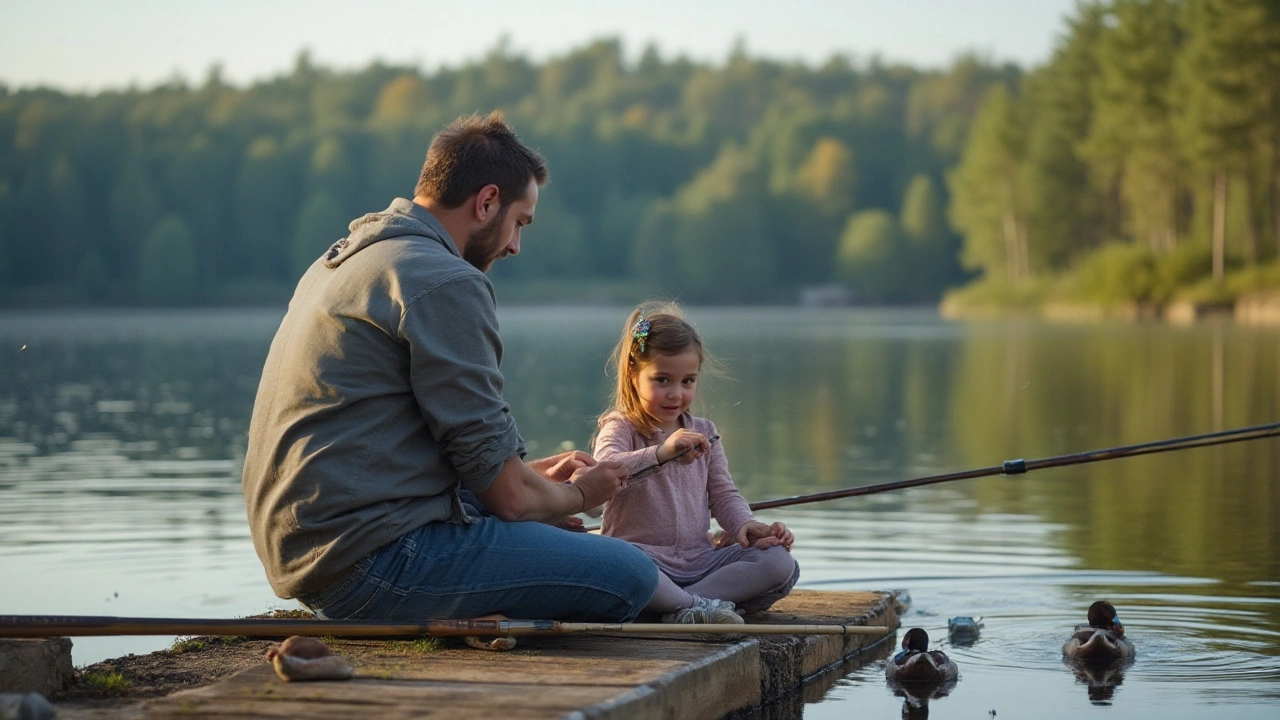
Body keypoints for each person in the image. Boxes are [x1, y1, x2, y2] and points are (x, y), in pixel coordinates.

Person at [241, 111, 658, 625]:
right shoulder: (443, 280)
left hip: (309, 556)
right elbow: (507, 501)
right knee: (631, 572)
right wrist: (575, 494)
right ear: (486, 203)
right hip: (371, 565)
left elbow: (436, 458)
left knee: (550, 526)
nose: (514, 246)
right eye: (519, 223)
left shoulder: (349, 261)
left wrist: (531, 481)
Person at [591, 302, 799, 624]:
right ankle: (695, 606)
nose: (676, 393)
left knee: (780, 563)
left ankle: (685, 607)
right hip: (644, 561)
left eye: (687, 381)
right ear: (634, 375)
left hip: (701, 561)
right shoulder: (621, 426)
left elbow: (724, 494)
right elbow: (606, 467)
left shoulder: (705, 431)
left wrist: (745, 526)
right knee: (617, 565)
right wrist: (663, 453)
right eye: (662, 380)